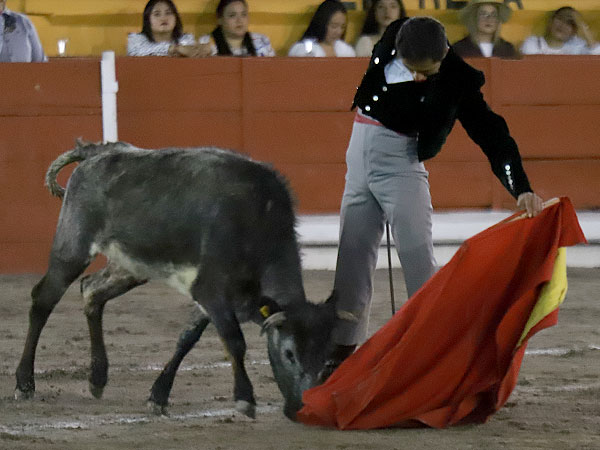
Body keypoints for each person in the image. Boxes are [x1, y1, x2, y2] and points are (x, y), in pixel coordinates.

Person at [321, 16, 544, 379]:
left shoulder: (457, 80)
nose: (423, 77)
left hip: (401, 163)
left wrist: (520, 186)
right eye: (414, 69)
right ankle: (339, 353)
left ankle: (435, 354)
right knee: (352, 257)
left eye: (430, 70)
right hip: (358, 154)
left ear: (444, 53)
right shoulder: (395, 35)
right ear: (399, 50)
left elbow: (491, 133)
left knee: (417, 258)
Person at [128, 0, 209, 57]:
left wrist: (205, 49)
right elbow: (137, 52)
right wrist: (175, 49)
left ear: (176, 18)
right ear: (147, 20)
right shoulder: (136, 39)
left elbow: (199, 49)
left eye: (168, 13)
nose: (163, 18)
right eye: (157, 14)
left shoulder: (186, 39)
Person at [199, 0, 275, 56]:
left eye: (243, 14)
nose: (239, 20)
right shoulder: (206, 42)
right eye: (232, 15)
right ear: (220, 19)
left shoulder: (261, 40)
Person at [452, 0, 518, 59]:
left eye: (494, 15)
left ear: (498, 20)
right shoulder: (459, 49)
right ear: (474, 18)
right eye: (483, 14)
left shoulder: (507, 50)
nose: (489, 19)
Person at [288, 0, 356, 57]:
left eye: (342, 27)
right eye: (334, 26)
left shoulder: (346, 51)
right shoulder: (303, 50)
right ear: (322, 24)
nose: (339, 32)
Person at [521, 6, 599, 55]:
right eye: (560, 19)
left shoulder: (577, 47)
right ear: (550, 22)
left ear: (574, 31)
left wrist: (582, 25)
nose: (562, 26)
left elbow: (597, 54)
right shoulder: (533, 43)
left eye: (569, 23)